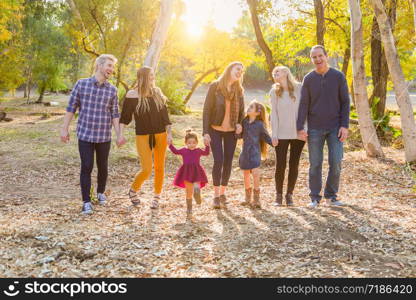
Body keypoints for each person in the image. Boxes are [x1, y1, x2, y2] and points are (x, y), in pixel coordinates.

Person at [60, 54, 124, 214]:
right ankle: (86, 202)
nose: (111, 69)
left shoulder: (112, 90)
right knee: (87, 166)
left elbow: (115, 114)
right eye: (109, 65)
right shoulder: (81, 84)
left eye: (112, 67)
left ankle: (100, 192)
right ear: (99, 65)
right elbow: (71, 108)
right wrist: (64, 128)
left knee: (103, 166)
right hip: (85, 135)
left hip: (104, 136)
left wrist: (119, 134)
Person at [297, 45, 350, 208]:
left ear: (326, 56)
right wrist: (300, 127)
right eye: (314, 57)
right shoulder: (309, 78)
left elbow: (345, 102)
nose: (318, 59)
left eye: (320, 56)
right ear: (311, 59)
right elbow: (303, 104)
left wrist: (344, 125)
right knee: (315, 164)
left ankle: (331, 196)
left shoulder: (338, 76)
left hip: (335, 127)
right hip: (315, 128)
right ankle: (314, 197)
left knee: (336, 162)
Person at [119, 66, 172, 209]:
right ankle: (133, 190)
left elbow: (165, 117)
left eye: (153, 75)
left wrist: (170, 133)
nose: (153, 78)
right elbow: (125, 117)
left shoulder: (157, 93)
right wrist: (120, 134)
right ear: (142, 78)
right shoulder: (132, 95)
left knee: (160, 167)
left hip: (161, 134)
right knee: (147, 169)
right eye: (150, 76)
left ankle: (157, 196)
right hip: (142, 135)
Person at [202, 62, 245, 209]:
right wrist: (205, 132)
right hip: (215, 128)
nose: (240, 72)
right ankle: (215, 196)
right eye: (237, 69)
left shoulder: (239, 90)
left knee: (228, 162)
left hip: (231, 131)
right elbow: (207, 110)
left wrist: (240, 124)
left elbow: (242, 112)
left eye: (241, 70)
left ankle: (222, 193)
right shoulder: (216, 86)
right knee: (218, 161)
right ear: (230, 70)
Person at [270, 66, 306, 207]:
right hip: (281, 133)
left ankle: (289, 194)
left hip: (298, 132)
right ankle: (278, 195)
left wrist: (305, 129)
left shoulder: (300, 88)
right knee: (280, 164)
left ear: (285, 72)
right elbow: (273, 114)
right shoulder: (274, 91)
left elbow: (305, 109)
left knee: (294, 163)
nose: (275, 74)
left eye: (277, 72)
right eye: (273, 73)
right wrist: (274, 133)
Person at [238, 100, 272, 208]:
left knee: (256, 173)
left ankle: (256, 199)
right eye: (249, 106)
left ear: (258, 112)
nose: (248, 108)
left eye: (251, 107)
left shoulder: (260, 124)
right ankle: (247, 198)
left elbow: (266, 136)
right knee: (246, 174)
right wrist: (237, 132)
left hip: (255, 152)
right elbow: (239, 136)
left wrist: (274, 143)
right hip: (244, 152)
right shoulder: (244, 121)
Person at [168, 129, 210, 216]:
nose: (192, 144)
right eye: (189, 143)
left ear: (197, 143)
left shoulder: (198, 150)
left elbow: (206, 153)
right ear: (186, 143)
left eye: (194, 142)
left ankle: (197, 194)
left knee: (196, 186)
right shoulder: (184, 150)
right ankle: (189, 208)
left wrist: (207, 145)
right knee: (189, 191)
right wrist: (170, 145)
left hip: (196, 171)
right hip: (186, 172)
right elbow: (175, 151)